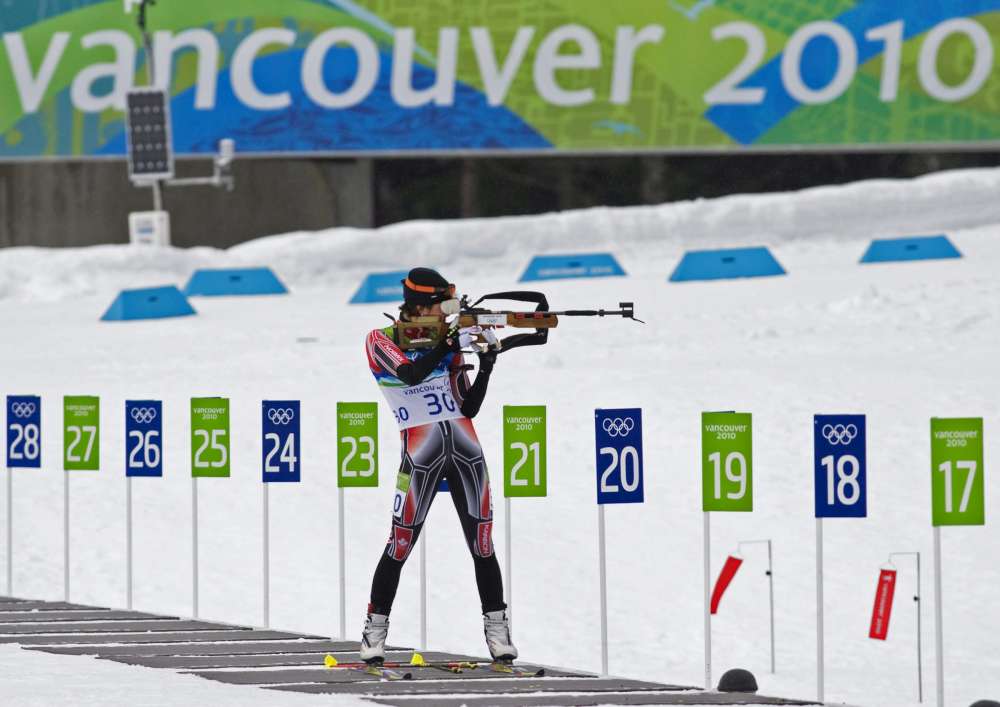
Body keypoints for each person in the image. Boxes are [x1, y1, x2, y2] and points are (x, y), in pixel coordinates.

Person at [360, 267, 516, 665]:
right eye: (440, 306)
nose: (445, 314)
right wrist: (448, 341)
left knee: (483, 545)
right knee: (399, 544)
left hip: (466, 450)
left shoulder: (447, 346)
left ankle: (498, 631)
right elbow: (410, 374)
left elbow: (469, 407)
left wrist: (487, 365)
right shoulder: (381, 339)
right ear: (419, 306)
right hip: (420, 454)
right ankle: (374, 631)